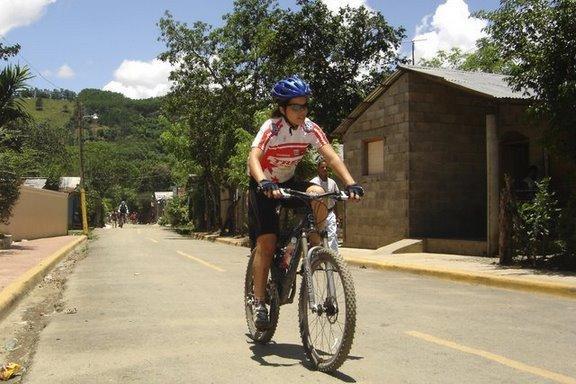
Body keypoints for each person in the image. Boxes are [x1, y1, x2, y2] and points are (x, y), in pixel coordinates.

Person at [247, 75, 364, 330]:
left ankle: (315, 245)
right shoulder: (272, 127)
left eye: (305, 106)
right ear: (283, 108)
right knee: (266, 243)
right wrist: (263, 181)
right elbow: (253, 158)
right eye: (296, 107)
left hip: (288, 181)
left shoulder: (310, 128)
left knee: (318, 193)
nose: (302, 111)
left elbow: (331, 157)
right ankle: (258, 302)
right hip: (263, 185)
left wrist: (350, 182)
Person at [310, 159, 340, 253]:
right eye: (322, 167)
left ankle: (333, 262)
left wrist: (337, 214)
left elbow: (336, 199)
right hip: (317, 215)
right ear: (318, 169)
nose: (325, 169)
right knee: (317, 238)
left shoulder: (332, 183)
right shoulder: (313, 183)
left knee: (332, 236)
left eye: (326, 167)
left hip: (330, 212)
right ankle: (315, 261)